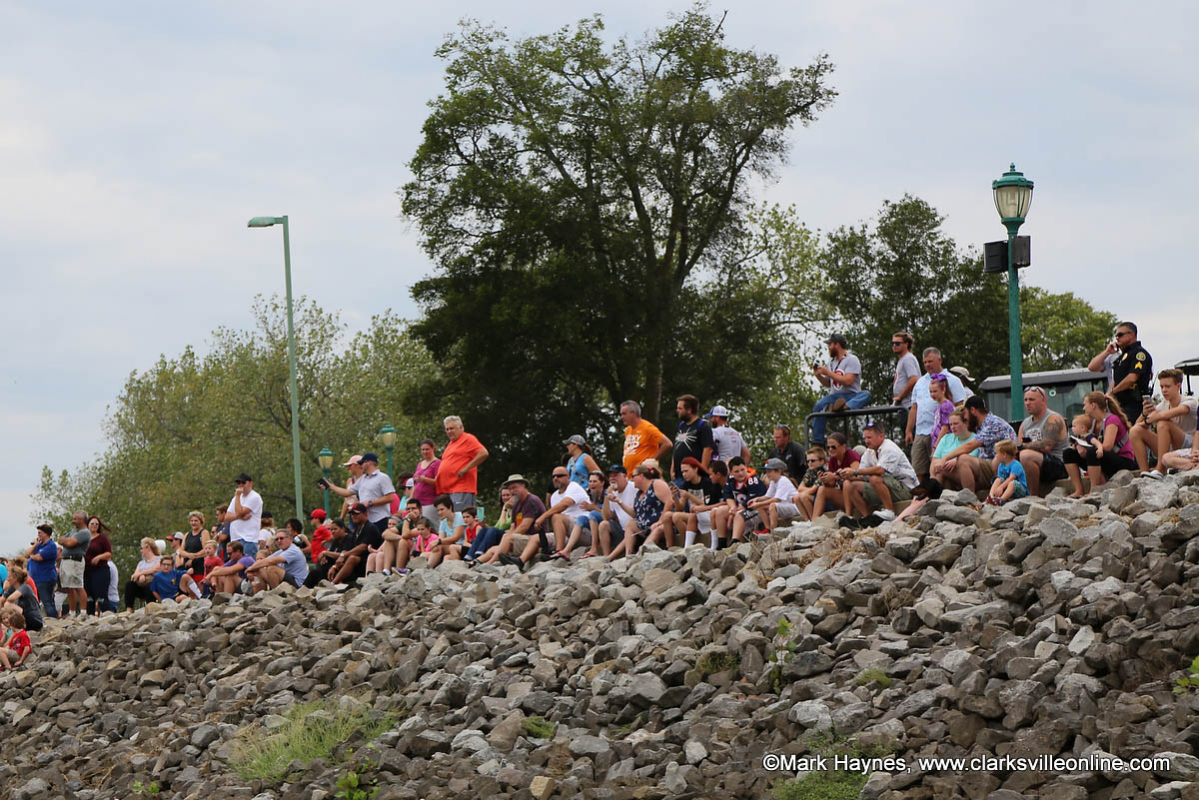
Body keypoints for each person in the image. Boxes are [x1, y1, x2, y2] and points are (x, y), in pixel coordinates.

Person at [905, 348, 970, 481]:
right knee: (918, 468)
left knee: (938, 468)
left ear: (939, 360)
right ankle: (923, 491)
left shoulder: (952, 380)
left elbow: (960, 407)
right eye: (925, 362)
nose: (927, 365)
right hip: (920, 431)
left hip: (940, 433)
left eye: (930, 361)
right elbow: (914, 407)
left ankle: (939, 490)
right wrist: (908, 430)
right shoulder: (920, 382)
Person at [841, 423, 919, 524]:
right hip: (889, 488)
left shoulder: (889, 447)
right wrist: (843, 475)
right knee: (849, 484)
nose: (866, 441)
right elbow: (861, 475)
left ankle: (889, 512)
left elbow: (880, 470)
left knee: (874, 478)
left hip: (907, 489)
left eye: (869, 437)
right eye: (865, 438)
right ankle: (867, 518)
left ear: (881, 436)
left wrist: (855, 472)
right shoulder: (869, 452)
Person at [1063, 392, 1137, 497]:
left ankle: (1094, 490)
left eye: (1085, 404)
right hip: (1103, 457)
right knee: (1068, 453)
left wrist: (1088, 448)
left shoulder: (1112, 419)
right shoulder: (1093, 423)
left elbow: (1107, 446)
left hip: (1123, 459)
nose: (1083, 408)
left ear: (1093, 405)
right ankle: (1079, 490)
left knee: (1092, 452)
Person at [940, 396, 1017, 494]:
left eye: (965, 414)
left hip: (1001, 467)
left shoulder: (993, 423)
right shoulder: (981, 426)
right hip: (987, 467)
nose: (965, 418)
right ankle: (946, 498)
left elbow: (970, 446)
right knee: (943, 468)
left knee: (963, 459)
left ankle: (969, 498)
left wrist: (946, 457)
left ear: (973, 410)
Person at [1132, 368, 1197, 476]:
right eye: (1162, 387)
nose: (1164, 390)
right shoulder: (1163, 405)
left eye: (1167, 386)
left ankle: (1160, 469)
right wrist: (1144, 414)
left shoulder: (1190, 401)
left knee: (1163, 423)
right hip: (1169, 447)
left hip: (1190, 446)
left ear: (1178, 386)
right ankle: (1145, 472)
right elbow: (1136, 426)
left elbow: (1173, 413)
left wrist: (1154, 417)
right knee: (1135, 431)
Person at [809, 334, 871, 447]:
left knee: (866, 394)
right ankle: (817, 442)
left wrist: (828, 373)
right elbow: (829, 384)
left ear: (837, 345)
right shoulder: (831, 363)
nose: (828, 348)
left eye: (830, 345)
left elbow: (848, 381)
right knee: (818, 406)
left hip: (852, 394)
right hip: (835, 396)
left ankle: (846, 405)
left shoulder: (852, 359)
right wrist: (818, 375)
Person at [474, 475, 548, 570]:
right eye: (510, 489)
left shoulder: (531, 500)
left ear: (523, 486)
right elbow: (513, 527)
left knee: (506, 538)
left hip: (535, 540)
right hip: (522, 539)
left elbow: (524, 526)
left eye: (514, 487)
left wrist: (509, 539)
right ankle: (474, 562)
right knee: (493, 549)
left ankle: (489, 565)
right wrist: (505, 542)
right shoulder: (516, 504)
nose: (512, 491)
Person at [1088, 321, 1152, 428]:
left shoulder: (1139, 354)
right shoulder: (1122, 357)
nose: (1117, 338)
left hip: (1134, 405)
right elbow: (1115, 379)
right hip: (1120, 406)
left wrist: (1113, 392)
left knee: (1133, 433)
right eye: (1116, 335)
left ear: (1131, 335)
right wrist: (1108, 396)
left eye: (1120, 335)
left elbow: (1132, 378)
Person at [606, 463, 673, 560]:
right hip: (645, 526)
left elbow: (669, 502)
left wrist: (660, 521)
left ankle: (639, 555)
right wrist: (619, 501)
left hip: (662, 525)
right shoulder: (639, 493)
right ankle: (628, 555)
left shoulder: (656, 484)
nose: (632, 479)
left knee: (657, 529)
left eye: (633, 476)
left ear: (641, 476)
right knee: (630, 524)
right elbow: (634, 513)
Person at [1015, 386, 1069, 496]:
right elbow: (1017, 447)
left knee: (1026, 455)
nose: (1027, 403)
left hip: (1058, 465)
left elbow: (1046, 446)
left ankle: (1033, 495)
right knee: (1000, 459)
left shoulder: (1053, 419)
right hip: (1034, 464)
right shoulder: (1025, 423)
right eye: (1025, 400)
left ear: (1043, 400)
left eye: (1032, 400)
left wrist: (1022, 446)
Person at [435, 416, 490, 512]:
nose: (449, 431)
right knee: (450, 519)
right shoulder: (451, 444)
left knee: (461, 517)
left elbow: (483, 453)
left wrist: (466, 468)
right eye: (447, 429)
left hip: (461, 488)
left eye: (451, 428)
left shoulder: (467, 439)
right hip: (447, 490)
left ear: (460, 427)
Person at [670, 458, 722, 548]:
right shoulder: (686, 484)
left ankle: (687, 544)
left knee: (682, 516)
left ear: (695, 469)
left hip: (706, 512)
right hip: (694, 513)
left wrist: (689, 496)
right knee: (673, 516)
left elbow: (707, 503)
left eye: (686, 471)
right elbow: (680, 508)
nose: (684, 474)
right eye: (682, 472)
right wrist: (675, 497)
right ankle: (683, 543)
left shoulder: (706, 482)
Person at [714, 456, 767, 545]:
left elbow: (749, 503)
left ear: (746, 467)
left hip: (755, 509)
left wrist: (733, 513)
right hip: (739, 508)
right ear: (731, 472)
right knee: (720, 511)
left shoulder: (752, 480)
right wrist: (732, 508)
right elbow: (728, 496)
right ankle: (721, 542)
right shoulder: (730, 480)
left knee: (739, 515)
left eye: (742, 470)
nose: (741, 473)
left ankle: (735, 542)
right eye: (736, 471)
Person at [336, 453, 396, 531]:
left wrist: (370, 503)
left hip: (380, 519)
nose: (360, 466)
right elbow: (347, 493)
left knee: (379, 538)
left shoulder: (382, 477)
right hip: (366, 520)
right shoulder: (363, 479)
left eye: (362, 463)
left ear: (369, 463)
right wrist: (330, 486)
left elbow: (390, 498)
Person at [328, 504, 382, 584]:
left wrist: (344, 555)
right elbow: (348, 550)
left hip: (371, 560)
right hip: (360, 562)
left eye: (357, 513)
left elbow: (363, 547)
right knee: (340, 559)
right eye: (352, 514)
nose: (353, 516)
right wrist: (335, 566)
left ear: (365, 513)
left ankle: (334, 583)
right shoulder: (357, 530)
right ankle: (336, 581)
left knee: (352, 558)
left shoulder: (370, 527)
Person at [559, 472, 607, 558]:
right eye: (590, 481)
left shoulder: (607, 494)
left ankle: (594, 548)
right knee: (581, 518)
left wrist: (594, 508)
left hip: (609, 522)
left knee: (593, 514)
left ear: (602, 483)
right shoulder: (592, 495)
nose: (592, 484)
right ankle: (567, 550)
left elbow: (609, 514)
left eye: (595, 481)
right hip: (598, 522)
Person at [812, 433, 861, 517]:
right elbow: (832, 484)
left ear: (843, 447)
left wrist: (834, 475)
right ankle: (814, 520)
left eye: (833, 447)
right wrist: (825, 479)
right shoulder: (832, 460)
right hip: (843, 496)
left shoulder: (851, 455)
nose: (830, 449)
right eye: (828, 447)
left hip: (856, 495)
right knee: (822, 489)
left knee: (846, 483)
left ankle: (848, 516)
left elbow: (858, 475)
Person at [245, 527, 309, 590]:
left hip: (298, 585)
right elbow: (265, 561)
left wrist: (251, 568)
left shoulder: (293, 550)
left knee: (272, 568)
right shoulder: (281, 551)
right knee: (259, 568)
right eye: (277, 539)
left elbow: (271, 561)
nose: (279, 541)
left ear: (289, 538)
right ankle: (261, 594)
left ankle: (275, 594)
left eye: (281, 538)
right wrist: (252, 569)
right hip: (286, 581)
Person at [596, 466, 638, 558]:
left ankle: (611, 558)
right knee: (603, 525)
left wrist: (619, 501)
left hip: (636, 529)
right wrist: (607, 496)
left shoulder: (634, 487)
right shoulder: (613, 492)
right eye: (610, 476)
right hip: (621, 530)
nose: (612, 478)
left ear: (624, 476)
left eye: (615, 475)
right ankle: (606, 555)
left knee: (630, 526)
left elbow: (636, 513)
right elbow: (606, 517)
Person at [619, 401, 672, 474]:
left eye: (624, 414)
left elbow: (667, 444)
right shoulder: (628, 430)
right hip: (630, 475)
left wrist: (653, 460)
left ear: (633, 413)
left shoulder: (647, 428)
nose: (622, 417)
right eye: (621, 414)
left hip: (644, 475)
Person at [749, 458, 800, 532]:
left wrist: (759, 503)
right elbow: (767, 496)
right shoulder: (773, 481)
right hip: (784, 506)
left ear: (778, 471)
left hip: (794, 508)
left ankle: (773, 530)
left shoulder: (783, 480)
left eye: (769, 472)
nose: (767, 474)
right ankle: (767, 529)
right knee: (761, 506)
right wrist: (756, 499)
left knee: (773, 505)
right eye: (766, 472)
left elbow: (777, 499)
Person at [930, 409, 980, 486]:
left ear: (966, 423)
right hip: (945, 474)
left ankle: (932, 490)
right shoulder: (946, 438)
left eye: (956, 424)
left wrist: (956, 461)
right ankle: (932, 488)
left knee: (942, 469)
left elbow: (971, 459)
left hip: (967, 474)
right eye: (951, 424)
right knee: (937, 466)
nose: (952, 427)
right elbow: (935, 460)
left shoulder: (976, 439)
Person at [671, 395, 714, 482]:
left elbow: (708, 449)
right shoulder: (681, 426)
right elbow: (676, 447)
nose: (677, 411)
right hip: (678, 474)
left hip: (693, 475)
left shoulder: (702, 426)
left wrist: (702, 470)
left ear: (689, 410)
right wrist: (672, 469)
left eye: (680, 408)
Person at [222, 473, 264, 558]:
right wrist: (240, 517)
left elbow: (239, 512)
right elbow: (227, 517)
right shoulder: (235, 499)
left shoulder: (254, 497)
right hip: (235, 538)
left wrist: (238, 496)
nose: (241, 485)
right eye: (238, 483)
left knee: (247, 563)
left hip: (248, 539)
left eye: (243, 482)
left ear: (250, 483)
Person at [57, 510, 90, 616]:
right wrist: (65, 541)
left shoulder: (84, 532)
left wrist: (66, 541)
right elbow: (60, 540)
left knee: (78, 586)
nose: (73, 520)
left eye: (75, 518)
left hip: (76, 560)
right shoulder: (73, 532)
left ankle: (83, 612)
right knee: (69, 587)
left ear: (82, 520)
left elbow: (70, 543)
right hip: (66, 560)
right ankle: (72, 612)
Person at [303, 520, 353, 587]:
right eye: (331, 530)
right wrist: (325, 557)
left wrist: (325, 553)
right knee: (314, 573)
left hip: (340, 570)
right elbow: (330, 554)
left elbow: (343, 555)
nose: (333, 531)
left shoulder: (349, 539)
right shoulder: (336, 541)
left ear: (343, 529)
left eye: (335, 529)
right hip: (329, 569)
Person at [26, 525, 59, 620]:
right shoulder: (39, 545)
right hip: (35, 578)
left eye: (40, 533)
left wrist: (31, 556)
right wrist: (35, 545)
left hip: (45, 578)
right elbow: (26, 554)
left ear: (46, 533)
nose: (38, 535)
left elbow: (39, 557)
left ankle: (53, 620)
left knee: (47, 601)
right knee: (35, 601)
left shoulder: (51, 546)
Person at [83, 516, 114, 616]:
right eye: (92, 523)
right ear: (87, 525)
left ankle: (108, 615)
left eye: (96, 524)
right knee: (89, 597)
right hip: (86, 571)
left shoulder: (102, 539)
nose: (94, 525)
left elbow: (109, 553)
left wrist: (99, 557)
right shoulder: (83, 539)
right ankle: (89, 617)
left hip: (100, 570)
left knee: (101, 596)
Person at [124, 538, 163, 611]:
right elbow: (134, 576)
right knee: (129, 585)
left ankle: (151, 608)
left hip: (154, 586)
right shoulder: (141, 563)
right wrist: (141, 576)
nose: (141, 550)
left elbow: (154, 569)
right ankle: (129, 609)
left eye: (142, 548)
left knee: (150, 586)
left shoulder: (159, 559)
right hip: (142, 585)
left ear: (148, 548)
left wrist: (142, 573)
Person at [1, 567, 43, 632]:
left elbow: (10, 599)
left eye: (9, 577)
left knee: (8, 604)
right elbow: (1, 599)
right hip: (25, 617)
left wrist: (5, 604)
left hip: (34, 619)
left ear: (15, 578)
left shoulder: (25, 587)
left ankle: (15, 625)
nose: (7, 579)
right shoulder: (12, 588)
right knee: (5, 605)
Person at [987, 441, 1028, 506]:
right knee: (998, 479)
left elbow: (1011, 478)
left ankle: (1001, 500)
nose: (996, 456)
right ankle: (991, 497)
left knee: (1012, 483)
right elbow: (1001, 478)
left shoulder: (1016, 465)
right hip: (1006, 487)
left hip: (1018, 489)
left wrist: (1001, 487)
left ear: (1004, 455)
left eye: (997, 453)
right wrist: (999, 487)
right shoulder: (1001, 465)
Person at [411, 439, 442, 525]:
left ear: (433, 448)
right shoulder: (419, 464)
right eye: (423, 450)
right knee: (419, 526)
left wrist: (424, 479)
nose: (425, 452)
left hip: (430, 502)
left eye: (427, 449)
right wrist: (411, 499)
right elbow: (415, 485)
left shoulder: (437, 463)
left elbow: (438, 482)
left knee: (431, 524)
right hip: (418, 502)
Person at [795, 447, 828, 522]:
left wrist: (806, 490)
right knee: (796, 497)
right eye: (808, 461)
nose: (810, 463)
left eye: (812, 461)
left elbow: (813, 490)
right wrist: (808, 490)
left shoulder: (823, 471)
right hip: (814, 497)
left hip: (825, 500)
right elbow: (800, 488)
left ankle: (813, 520)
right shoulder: (810, 471)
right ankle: (807, 521)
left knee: (803, 496)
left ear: (821, 461)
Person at [891, 331, 920, 410]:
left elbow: (913, 379)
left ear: (906, 344)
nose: (894, 345)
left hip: (909, 404)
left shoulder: (908, 358)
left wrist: (900, 396)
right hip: (904, 404)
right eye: (893, 343)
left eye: (897, 343)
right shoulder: (902, 359)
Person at [927, 374, 955, 449]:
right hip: (938, 443)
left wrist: (936, 446)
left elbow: (945, 428)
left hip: (944, 443)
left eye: (935, 391)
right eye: (930, 392)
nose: (932, 394)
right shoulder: (939, 406)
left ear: (943, 389)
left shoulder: (946, 405)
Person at [180, 511, 210, 578]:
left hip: (199, 565)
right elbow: (181, 551)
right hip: (187, 566)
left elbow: (207, 549)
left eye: (196, 521)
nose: (193, 523)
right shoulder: (187, 534)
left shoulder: (204, 533)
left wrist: (194, 556)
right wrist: (189, 555)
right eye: (192, 521)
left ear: (201, 521)